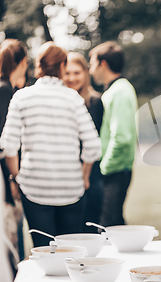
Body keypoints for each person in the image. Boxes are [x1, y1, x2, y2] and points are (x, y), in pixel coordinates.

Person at [0, 42, 101, 247]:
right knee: (71, 253)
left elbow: (8, 145)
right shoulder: (73, 98)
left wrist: (17, 177)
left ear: (38, 66)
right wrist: (84, 175)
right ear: (62, 66)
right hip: (71, 187)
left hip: (34, 187)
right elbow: (93, 145)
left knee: (44, 252)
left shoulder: (22, 96)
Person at [89, 42, 137, 227]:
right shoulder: (116, 90)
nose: (91, 70)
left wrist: (103, 169)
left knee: (108, 229)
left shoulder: (119, 92)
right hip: (113, 171)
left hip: (113, 171)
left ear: (103, 64)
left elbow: (122, 137)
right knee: (113, 225)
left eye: (92, 64)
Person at [63, 52, 104, 233]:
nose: (71, 78)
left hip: (89, 176)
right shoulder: (60, 102)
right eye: (67, 73)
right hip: (66, 177)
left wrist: (84, 174)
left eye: (77, 73)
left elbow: (90, 141)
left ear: (86, 73)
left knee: (87, 230)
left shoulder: (94, 101)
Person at [0, 38, 27, 281]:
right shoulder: (5, 91)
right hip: (5, 176)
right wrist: (12, 177)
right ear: (22, 63)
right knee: (11, 237)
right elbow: (5, 142)